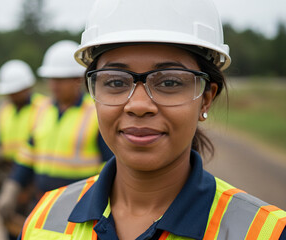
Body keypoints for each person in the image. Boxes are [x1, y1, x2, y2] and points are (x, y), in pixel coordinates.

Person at [19, 1, 286, 239]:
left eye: (169, 82)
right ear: (94, 93)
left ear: (206, 98)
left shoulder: (265, 232)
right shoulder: (44, 220)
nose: (138, 105)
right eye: (115, 81)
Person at [0, 40, 113, 223]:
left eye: (59, 80)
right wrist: (12, 187)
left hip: (80, 208)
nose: (53, 86)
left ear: (77, 79)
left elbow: (110, 166)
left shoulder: (95, 114)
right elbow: (27, 155)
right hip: (43, 202)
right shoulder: (42, 111)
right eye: (51, 79)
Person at [0, 59, 48, 164]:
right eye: (9, 92)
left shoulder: (43, 107)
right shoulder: (4, 110)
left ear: (27, 87)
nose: (12, 96)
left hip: (33, 168)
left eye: (16, 92)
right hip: (8, 167)